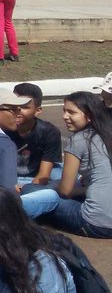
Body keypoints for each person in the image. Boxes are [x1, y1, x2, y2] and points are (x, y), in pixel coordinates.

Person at [48, 91, 112, 238]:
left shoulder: (79, 140)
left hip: (96, 224)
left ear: (89, 116)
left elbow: (65, 191)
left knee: (37, 193)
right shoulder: (107, 135)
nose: (65, 116)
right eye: (64, 111)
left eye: (71, 112)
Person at [10, 82, 64, 189]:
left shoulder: (49, 132)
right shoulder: (2, 129)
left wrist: (28, 190)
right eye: (14, 106)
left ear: (37, 110)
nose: (17, 111)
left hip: (39, 176)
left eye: (24, 107)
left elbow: (44, 174)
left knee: (63, 179)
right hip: (10, 177)